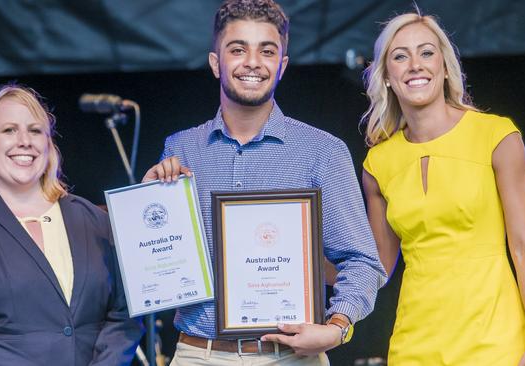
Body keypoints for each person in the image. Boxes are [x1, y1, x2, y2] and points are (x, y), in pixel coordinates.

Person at [142, 0, 386, 364]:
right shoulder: (181, 148)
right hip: (198, 353)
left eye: (267, 51)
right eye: (238, 49)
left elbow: (362, 261)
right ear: (215, 63)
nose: (253, 62)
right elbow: (159, 271)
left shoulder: (323, 152)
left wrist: (337, 326)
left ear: (282, 66)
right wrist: (148, 206)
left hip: (291, 355)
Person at [360, 11, 525, 365]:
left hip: (495, 341)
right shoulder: (378, 164)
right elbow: (376, 268)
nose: (415, 65)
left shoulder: (496, 136)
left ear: (446, 67)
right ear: (387, 76)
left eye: (427, 53)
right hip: (414, 345)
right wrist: (304, 263)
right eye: (400, 56)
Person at [0, 84, 143, 365]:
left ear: (48, 144)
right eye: (9, 130)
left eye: (35, 130)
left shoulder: (94, 220)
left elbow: (125, 315)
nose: (24, 141)